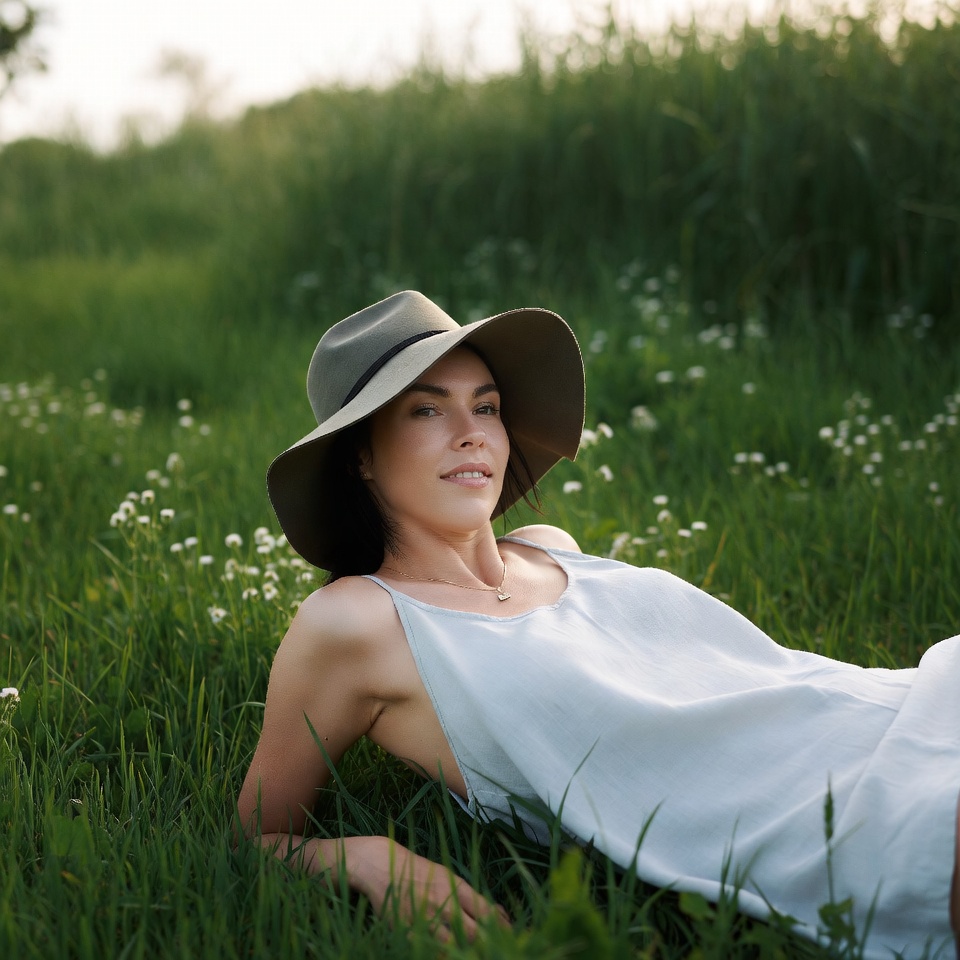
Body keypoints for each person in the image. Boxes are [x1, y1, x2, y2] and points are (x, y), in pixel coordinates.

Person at [238, 290, 960, 958]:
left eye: (487, 407)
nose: (472, 434)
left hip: (883, 706)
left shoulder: (552, 549)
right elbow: (257, 833)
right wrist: (371, 857)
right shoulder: (358, 621)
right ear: (361, 456)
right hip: (816, 811)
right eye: (427, 411)